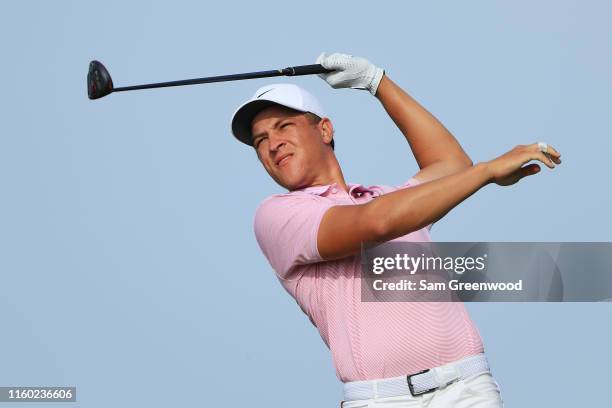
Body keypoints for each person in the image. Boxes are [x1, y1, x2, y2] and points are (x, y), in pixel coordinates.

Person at [230, 52, 561, 408]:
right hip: (380, 401)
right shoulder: (277, 216)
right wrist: (485, 172)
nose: (272, 143)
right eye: (260, 140)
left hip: (467, 389)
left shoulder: (386, 199)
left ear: (324, 129)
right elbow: (377, 223)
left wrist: (377, 82)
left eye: (284, 127)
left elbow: (451, 167)